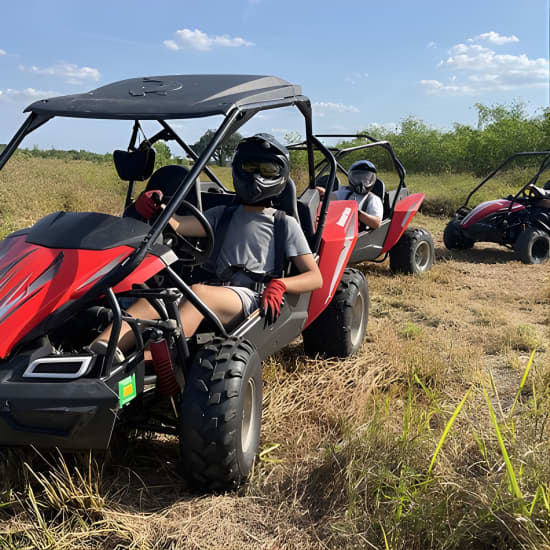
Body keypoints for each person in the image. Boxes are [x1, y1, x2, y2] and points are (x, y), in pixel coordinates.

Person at [91, 134, 323, 361]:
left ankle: (152, 359)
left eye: (268, 170)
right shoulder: (221, 215)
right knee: (155, 300)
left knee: (199, 294)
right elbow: (179, 225)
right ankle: (102, 348)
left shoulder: (284, 223)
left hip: (251, 295)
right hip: (215, 289)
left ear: (280, 175)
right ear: (239, 169)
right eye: (250, 167)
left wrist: (281, 284)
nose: (257, 176)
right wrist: (154, 205)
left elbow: (315, 277)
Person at [317, 160, 383, 230]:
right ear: (351, 178)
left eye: (365, 179)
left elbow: (376, 223)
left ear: (371, 180)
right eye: (357, 178)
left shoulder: (373, 199)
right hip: (339, 229)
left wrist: (356, 212)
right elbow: (330, 197)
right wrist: (321, 192)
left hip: (359, 235)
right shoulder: (345, 192)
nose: (361, 183)